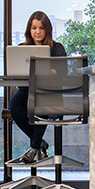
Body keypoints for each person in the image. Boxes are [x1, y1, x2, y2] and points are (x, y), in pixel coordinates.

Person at [8, 11, 66, 163]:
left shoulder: (57, 48)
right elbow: (15, 70)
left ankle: (34, 148)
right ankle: (40, 143)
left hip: (49, 93)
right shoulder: (22, 48)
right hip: (26, 90)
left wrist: (51, 71)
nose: (37, 32)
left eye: (41, 28)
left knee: (42, 105)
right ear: (29, 30)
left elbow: (63, 71)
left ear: (47, 29)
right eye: (34, 28)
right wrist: (47, 69)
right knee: (14, 106)